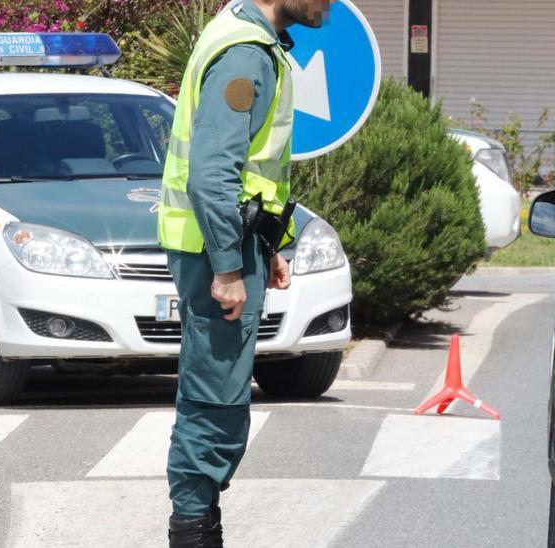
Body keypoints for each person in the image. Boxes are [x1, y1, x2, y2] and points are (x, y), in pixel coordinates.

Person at [156, 0, 331, 545]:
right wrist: (229, 267)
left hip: (229, 244)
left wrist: (267, 246)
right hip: (214, 252)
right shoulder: (245, 54)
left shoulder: (248, 40)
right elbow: (212, 175)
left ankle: (200, 525)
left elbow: (252, 174)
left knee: (220, 396)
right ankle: (192, 530)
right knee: (215, 401)